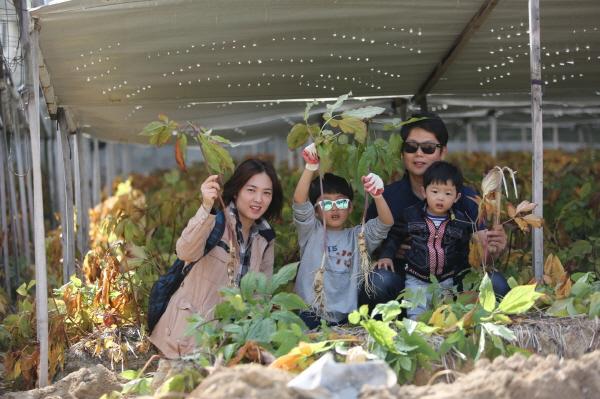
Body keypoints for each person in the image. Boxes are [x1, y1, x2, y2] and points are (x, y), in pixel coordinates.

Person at [363, 112, 509, 309]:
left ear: (443, 152)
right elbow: (366, 248)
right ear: (402, 153)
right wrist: (387, 251)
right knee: (378, 281)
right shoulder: (386, 197)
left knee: (496, 284)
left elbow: (481, 258)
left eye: (429, 148)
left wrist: (492, 249)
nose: (419, 154)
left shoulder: (467, 198)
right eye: (411, 147)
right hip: (405, 283)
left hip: (455, 282)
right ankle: (390, 330)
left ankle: (467, 324)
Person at [150, 159, 283, 358]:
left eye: (266, 193)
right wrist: (206, 207)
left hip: (226, 344)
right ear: (237, 190)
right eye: (251, 190)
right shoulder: (216, 221)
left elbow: (261, 294)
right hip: (184, 338)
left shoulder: (264, 237)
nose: (258, 199)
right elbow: (185, 251)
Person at [293, 144, 393, 329]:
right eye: (327, 204)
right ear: (315, 211)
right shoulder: (311, 231)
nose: (335, 208)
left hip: (347, 316)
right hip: (310, 313)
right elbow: (299, 202)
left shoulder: (358, 237)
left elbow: (385, 223)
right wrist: (310, 167)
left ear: (350, 207)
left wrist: (377, 196)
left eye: (341, 202)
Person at [378, 161, 472, 319]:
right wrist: (386, 255)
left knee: (443, 318)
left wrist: (464, 275)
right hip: (416, 278)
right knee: (416, 316)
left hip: (446, 280)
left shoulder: (460, 222)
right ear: (424, 192)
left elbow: (463, 250)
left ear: (457, 197)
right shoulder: (411, 216)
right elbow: (394, 236)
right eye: (435, 191)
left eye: (448, 194)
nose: (440, 198)